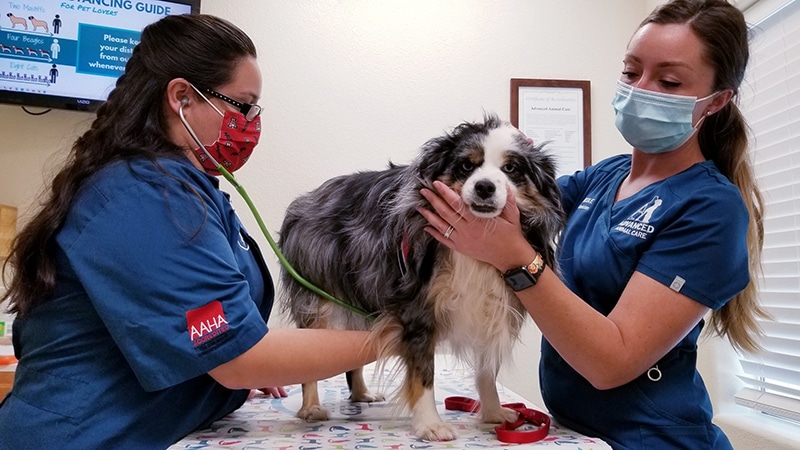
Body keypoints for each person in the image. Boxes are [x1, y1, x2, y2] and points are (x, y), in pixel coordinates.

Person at [0, 14, 374, 448]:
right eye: (243, 105)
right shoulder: (141, 195)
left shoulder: (186, 190)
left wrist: (221, 382)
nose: (251, 123)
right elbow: (239, 355)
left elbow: (205, 333)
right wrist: (397, 336)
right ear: (182, 97)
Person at [419, 0, 766, 448]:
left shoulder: (711, 208)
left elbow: (611, 362)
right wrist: (499, 158)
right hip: (575, 433)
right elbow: (519, 204)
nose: (641, 89)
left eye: (669, 80)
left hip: (652, 439)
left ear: (717, 100)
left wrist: (516, 260)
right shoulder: (606, 176)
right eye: (630, 72)